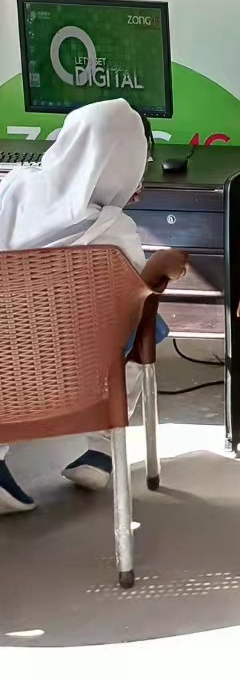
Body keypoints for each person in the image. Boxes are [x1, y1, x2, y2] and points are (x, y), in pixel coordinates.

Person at [0, 100, 187, 515]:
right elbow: (132, 302)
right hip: (73, 372)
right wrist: (160, 265)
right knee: (147, 327)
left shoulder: (12, 188)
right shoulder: (113, 230)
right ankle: (100, 445)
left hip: (7, 358)